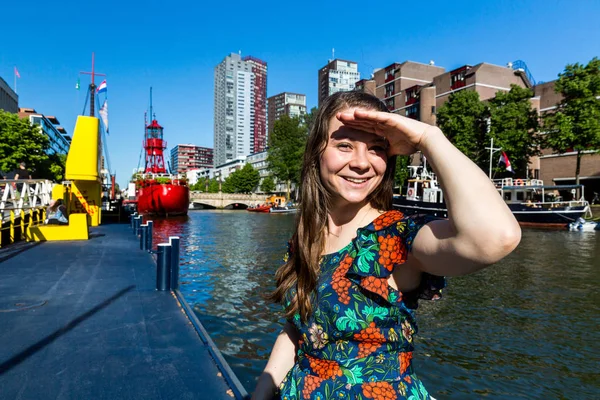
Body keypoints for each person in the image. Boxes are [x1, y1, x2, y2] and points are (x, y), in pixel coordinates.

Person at [252, 92, 521, 400]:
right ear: (316, 152)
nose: (362, 163)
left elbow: (496, 237)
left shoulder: (393, 236)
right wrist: (261, 393)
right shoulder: (306, 237)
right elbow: (297, 328)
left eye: (377, 149)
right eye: (344, 145)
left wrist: (427, 138)